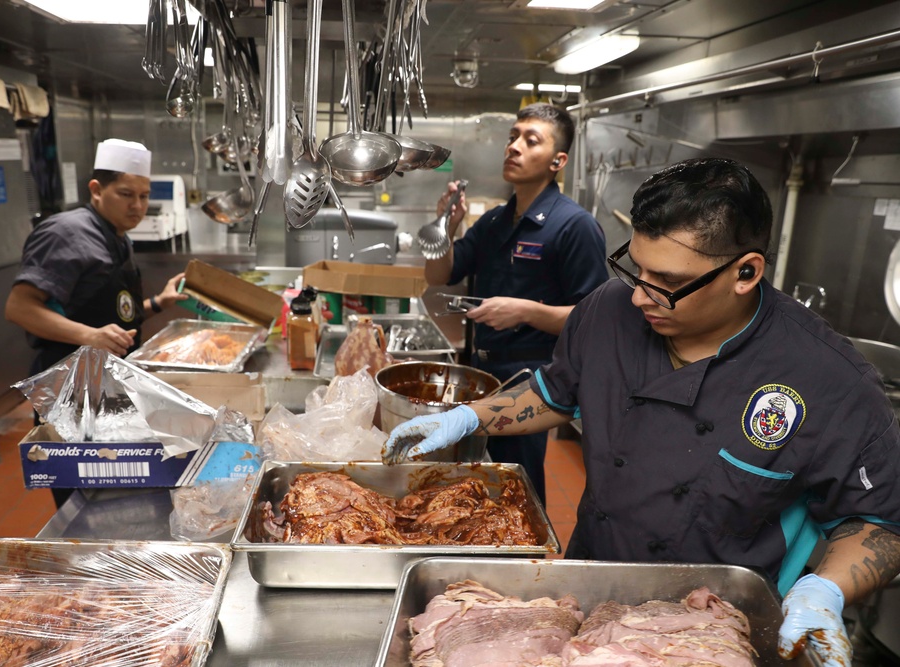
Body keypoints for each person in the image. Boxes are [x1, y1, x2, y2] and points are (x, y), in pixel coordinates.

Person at [385, 157, 900, 667]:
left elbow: (877, 523)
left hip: (708, 629)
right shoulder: (607, 310)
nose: (637, 297)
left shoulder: (828, 379)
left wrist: (824, 589)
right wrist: (470, 417)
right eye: (635, 267)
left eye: (666, 280)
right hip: (589, 594)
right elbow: (555, 393)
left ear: (745, 272)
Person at [425, 102, 608, 506]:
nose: (514, 147)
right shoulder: (493, 222)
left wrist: (525, 310)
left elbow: (595, 320)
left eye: (531, 140)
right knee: (476, 480)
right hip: (479, 370)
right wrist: (444, 228)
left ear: (558, 160)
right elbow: (438, 276)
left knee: (515, 486)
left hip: (530, 382)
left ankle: (526, 562)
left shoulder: (574, 227)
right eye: (512, 136)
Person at [6, 138, 186, 507]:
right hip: (68, 392)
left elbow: (113, 316)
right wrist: (89, 336)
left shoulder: (116, 236)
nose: (137, 206)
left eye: (143, 195)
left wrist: (156, 304)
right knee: (83, 499)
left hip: (109, 390)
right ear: (96, 189)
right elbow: (19, 307)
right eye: (125, 194)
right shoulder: (64, 233)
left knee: (119, 494)